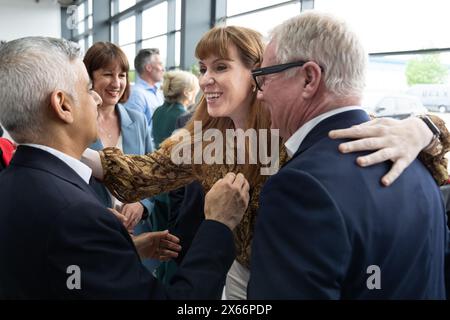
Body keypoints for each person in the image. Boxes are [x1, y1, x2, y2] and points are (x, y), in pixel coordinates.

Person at [82, 26, 450, 299]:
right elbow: (139, 175)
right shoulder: (207, 142)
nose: (206, 79)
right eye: (203, 68)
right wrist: (54, 144)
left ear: (258, 74)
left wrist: (424, 127)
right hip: (237, 280)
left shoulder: (297, 136)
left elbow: (364, 129)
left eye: (221, 67)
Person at [0, 36, 249, 299]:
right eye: (87, 88)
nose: (96, 99)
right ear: (62, 105)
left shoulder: (12, 183)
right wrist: (218, 225)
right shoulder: (77, 214)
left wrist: (120, 250)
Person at [247, 11, 449, 299]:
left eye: (264, 77)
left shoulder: (301, 186)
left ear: (308, 78)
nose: (260, 93)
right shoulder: (416, 163)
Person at [82, 42, 159, 272]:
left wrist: (142, 204)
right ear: (89, 77)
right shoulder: (76, 124)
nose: (116, 83)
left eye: (122, 75)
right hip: (94, 235)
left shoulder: (138, 120)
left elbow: (154, 174)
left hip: (138, 234)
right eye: (107, 74)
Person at [125, 48, 164, 133]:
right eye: (160, 64)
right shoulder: (136, 94)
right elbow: (134, 130)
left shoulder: (157, 92)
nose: (163, 69)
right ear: (149, 68)